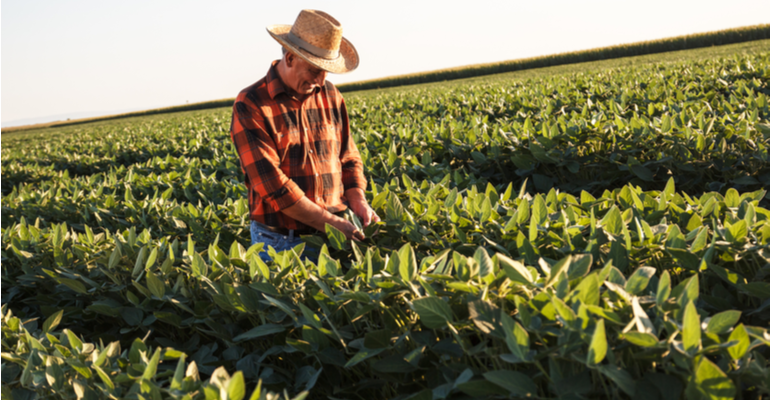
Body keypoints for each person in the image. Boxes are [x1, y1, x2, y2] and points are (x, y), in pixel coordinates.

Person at [230, 9, 380, 262]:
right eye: (313, 70)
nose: (321, 79)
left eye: (326, 71)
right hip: (282, 241)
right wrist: (330, 223)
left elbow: (349, 157)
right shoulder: (252, 103)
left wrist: (358, 199)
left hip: (335, 232)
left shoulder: (330, 95)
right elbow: (273, 186)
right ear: (289, 58)